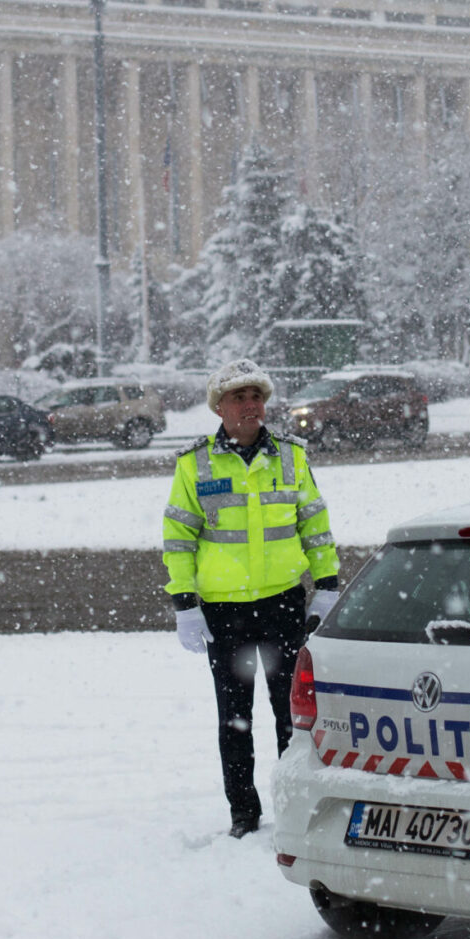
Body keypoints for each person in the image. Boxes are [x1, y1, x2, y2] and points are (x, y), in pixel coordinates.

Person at [162, 358, 341, 837]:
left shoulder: (291, 455)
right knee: (234, 718)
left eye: (256, 396)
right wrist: (185, 604)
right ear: (218, 407)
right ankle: (244, 813)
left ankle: (294, 807)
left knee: (293, 715)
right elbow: (178, 538)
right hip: (224, 613)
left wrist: (326, 586)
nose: (251, 405)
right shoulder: (194, 464)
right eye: (239, 397)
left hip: (283, 605)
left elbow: (315, 527)